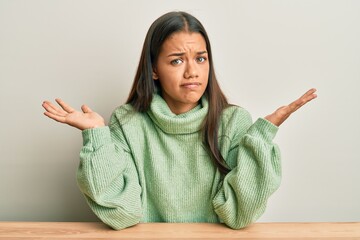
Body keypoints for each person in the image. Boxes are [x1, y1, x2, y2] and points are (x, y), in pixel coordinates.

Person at [42, 11, 317, 230]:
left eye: (200, 58)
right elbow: (122, 214)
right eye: (176, 61)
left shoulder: (233, 122)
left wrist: (260, 137)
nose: (192, 72)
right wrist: (98, 135)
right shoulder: (128, 123)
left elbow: (238, 215)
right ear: (153, 70)